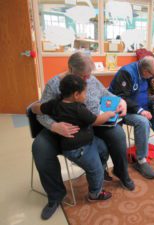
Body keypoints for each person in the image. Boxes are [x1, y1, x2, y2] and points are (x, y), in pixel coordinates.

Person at [32, 52, 134, 220]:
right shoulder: (54, 84)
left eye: (90, 74)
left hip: (92, 123)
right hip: (65, 128)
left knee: (117, 134)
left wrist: (120, 101)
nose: (88, 79)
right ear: (71, 69)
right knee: (39, 147)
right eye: (84, 76)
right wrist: (54, 126)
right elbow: (40, 111)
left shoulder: (90, 79)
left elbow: (106, 94)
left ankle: (121, 173)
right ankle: (55, 195)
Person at [32, 74, 114, 204]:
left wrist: (35, 107)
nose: (86, 96)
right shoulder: (78, 109)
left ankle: (98, 171)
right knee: (96, 169)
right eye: (84, 93)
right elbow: (96, 120)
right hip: (80, 148)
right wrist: (109, 114)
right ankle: (95, 194)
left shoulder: (55, 104)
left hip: (88, 142)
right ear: (76, 95)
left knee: (103, 149)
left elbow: (36, 108)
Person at [109, 56, 154, 180]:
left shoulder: (147, 73)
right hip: (126, 109)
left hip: (145, 105)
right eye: (153, 74)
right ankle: (141, 160)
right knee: (142, 122)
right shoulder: (126, 73)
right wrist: (140, 110)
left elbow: (151, 91)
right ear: (145, 71)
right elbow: (121, 98)